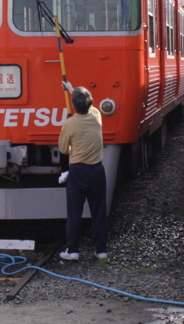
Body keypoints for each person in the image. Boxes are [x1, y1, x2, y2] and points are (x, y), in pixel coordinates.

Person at [57, 84, 108, 261]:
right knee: (99, 211)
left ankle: (72, 250)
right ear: (90, 103)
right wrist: (72, 89)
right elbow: (89, 105)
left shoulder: (69, 123)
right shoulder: (96, 116)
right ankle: (101, 250)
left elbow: (63, 149)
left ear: (73, 105)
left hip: (78, 172)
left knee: (74, 213)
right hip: (97, 170)